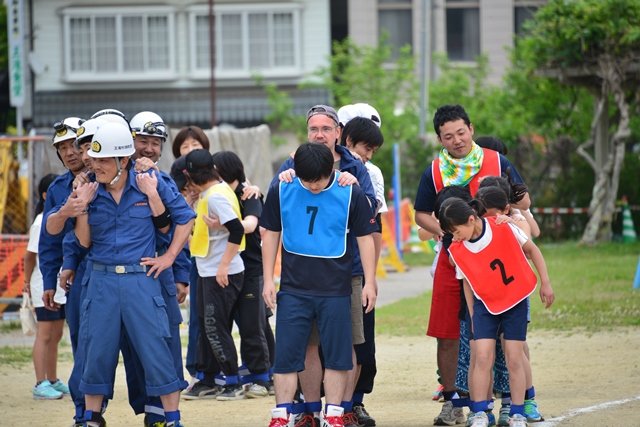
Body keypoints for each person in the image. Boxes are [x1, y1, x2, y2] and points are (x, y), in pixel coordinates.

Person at [72, 121, 195, 427]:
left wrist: (168, 257)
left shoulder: (150, 179)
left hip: (142, 279)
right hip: (100, 280)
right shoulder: (87, 185)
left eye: (103, 160)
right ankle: (90, 418)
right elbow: (84, 242)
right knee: (95, 351)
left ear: (122, 160)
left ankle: (172, 419)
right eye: (94, 159)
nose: (95, 165)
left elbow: (185, 218)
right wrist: (82, 207)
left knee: (157, 350)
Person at [413, 104, 528, 426]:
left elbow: (524, 199)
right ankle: (453, 401)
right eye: (448, 136)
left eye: (461, 133)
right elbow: (420, 213)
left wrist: (506, 215)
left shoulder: (496, 161)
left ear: (472, 129)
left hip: (498, 258)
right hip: (454, 260)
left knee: (506, 333)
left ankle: (511, 401)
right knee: (447, 332)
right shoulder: (434, 170)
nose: (457, 141)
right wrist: (448, 233)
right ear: (440, 139)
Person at [275, 104, 377, 427]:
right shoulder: (292, 165)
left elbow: (368, 217)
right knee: (307, 346)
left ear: (338, 133)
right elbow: (278, 205)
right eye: (313, 129)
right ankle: (309, 411)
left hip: (349, 270)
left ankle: (344, 408)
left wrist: (371, 279)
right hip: (302, 275)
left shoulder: (355, 167)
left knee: (347, 344)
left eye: (326, 129)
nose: (319, 134)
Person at [438, 196, 554, 427]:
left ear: (471, 219)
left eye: (456, 230)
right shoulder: (458, 250)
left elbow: (533, 250)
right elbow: (467, 284)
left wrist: (546, 283)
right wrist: (472, 316)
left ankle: (517, 412)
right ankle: (480, 412)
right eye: (449, 232)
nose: (454, 236)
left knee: (514, 358)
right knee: (481, 357)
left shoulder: (502, 227)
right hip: (484, 306)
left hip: (515, 301)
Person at [337, 104, 386, 427]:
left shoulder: (371, 173)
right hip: (326, 269)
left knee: (362, 345)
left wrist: (373, 274)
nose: (367, 154)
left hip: (357, 269)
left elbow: (374, 226)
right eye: (364, 145)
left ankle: (354, 402)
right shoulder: (317, 164)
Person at [185, 148, 247, 401]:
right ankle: (209, 379)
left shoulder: (216, 196)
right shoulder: (211, 193)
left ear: (192, 175)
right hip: (207, 270)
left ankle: (232, 382)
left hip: (221, 273)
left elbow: (237, 230)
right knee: (207, 326)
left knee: (215, 327)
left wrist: (223, 266)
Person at [23, 173, 69, 400]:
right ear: (45, 194)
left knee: (57, 333)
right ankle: (40, 383)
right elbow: (30, 256)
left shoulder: (64, 216)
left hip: (61, 286)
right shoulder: (42, 221)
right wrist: (26, 283)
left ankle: (53, 379)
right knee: (45, 333)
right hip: (44, 284)